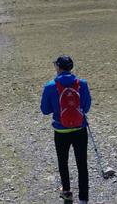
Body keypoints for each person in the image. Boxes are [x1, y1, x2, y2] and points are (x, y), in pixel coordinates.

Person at [40, 55, 91, 203]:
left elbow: (44, 110)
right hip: (80, 130)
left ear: (59, 67)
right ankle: (83, 199)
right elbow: (86, 107)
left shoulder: (50, 86)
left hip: (61, 131)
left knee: (63, 162)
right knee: (82, 164)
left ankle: (67, 192)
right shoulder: (82, 83)